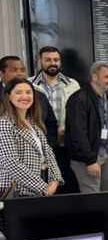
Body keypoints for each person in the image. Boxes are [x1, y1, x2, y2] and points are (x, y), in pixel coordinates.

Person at [65, 63, 108, 193]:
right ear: (95, 77)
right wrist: (90, 161)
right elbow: (78, 133)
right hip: (89, 157)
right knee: (92, 197)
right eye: (107, 76)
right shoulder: (78, 99)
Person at [30, 46, 81, 193]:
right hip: (42, 145)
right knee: (47, 187)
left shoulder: (73, 84)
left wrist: (66, 130)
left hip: (67, 144)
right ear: (40, 62)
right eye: (48, 60)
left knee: (70, 186)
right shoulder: (29, 85)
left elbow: (78, 114)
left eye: (56, 60)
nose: (52, 63)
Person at [0, 78, 63, 197]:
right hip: (17, 190)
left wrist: (55, 180)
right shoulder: (4, 123)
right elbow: (11, 162)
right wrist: (43, 187)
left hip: (41, 182)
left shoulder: (33, 122)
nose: (25, 96)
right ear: (8, 96)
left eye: (28, 92)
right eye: (18, 92)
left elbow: (48, 152)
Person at [0, 55, 58, 149]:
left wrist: (47, 149)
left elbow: (50, 124)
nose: (20, 74)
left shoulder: (39, 95)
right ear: (1, 74)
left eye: (22, 70)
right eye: (14, 70)